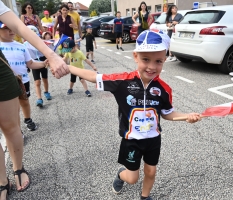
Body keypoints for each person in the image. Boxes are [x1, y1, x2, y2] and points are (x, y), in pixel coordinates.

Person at [65, 30, 202, 200]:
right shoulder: (122, 81)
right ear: (135, 56)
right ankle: (121, 174)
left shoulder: (164, 89)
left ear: (164, 60)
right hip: (131, 141)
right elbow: (95, 77)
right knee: (132, 178)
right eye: (146, 60)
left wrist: (187, 116)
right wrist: (67, 67)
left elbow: (168, 114)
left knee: (151, 171)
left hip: (153, 139)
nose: (152, 67)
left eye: (158, 61)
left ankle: (145, 197)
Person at [0, 3, 69, 197]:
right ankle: (2, 180)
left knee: (11, 126)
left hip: (5, 76)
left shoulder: (20, 46)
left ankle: (18, 168)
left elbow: (19, 27)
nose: (9, 31)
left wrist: (50, 55)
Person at [0, 23, 47, 131]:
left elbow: (30, 63)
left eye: (12, 28)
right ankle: (17, 129)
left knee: (24, 102)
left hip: (23, 80)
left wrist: (44, 63)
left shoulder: (22, 46)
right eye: (6, 28)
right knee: (13, 107)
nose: (11, 31)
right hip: (6, 83)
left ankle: (28, 119)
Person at [23, 30, 53, 107]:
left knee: (45, 79)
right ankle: (39, 99)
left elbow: (49, 48)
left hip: (43, 61)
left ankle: (46, 92)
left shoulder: (41, 42)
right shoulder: (25, 44)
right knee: (37, 82)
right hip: (34, 63)